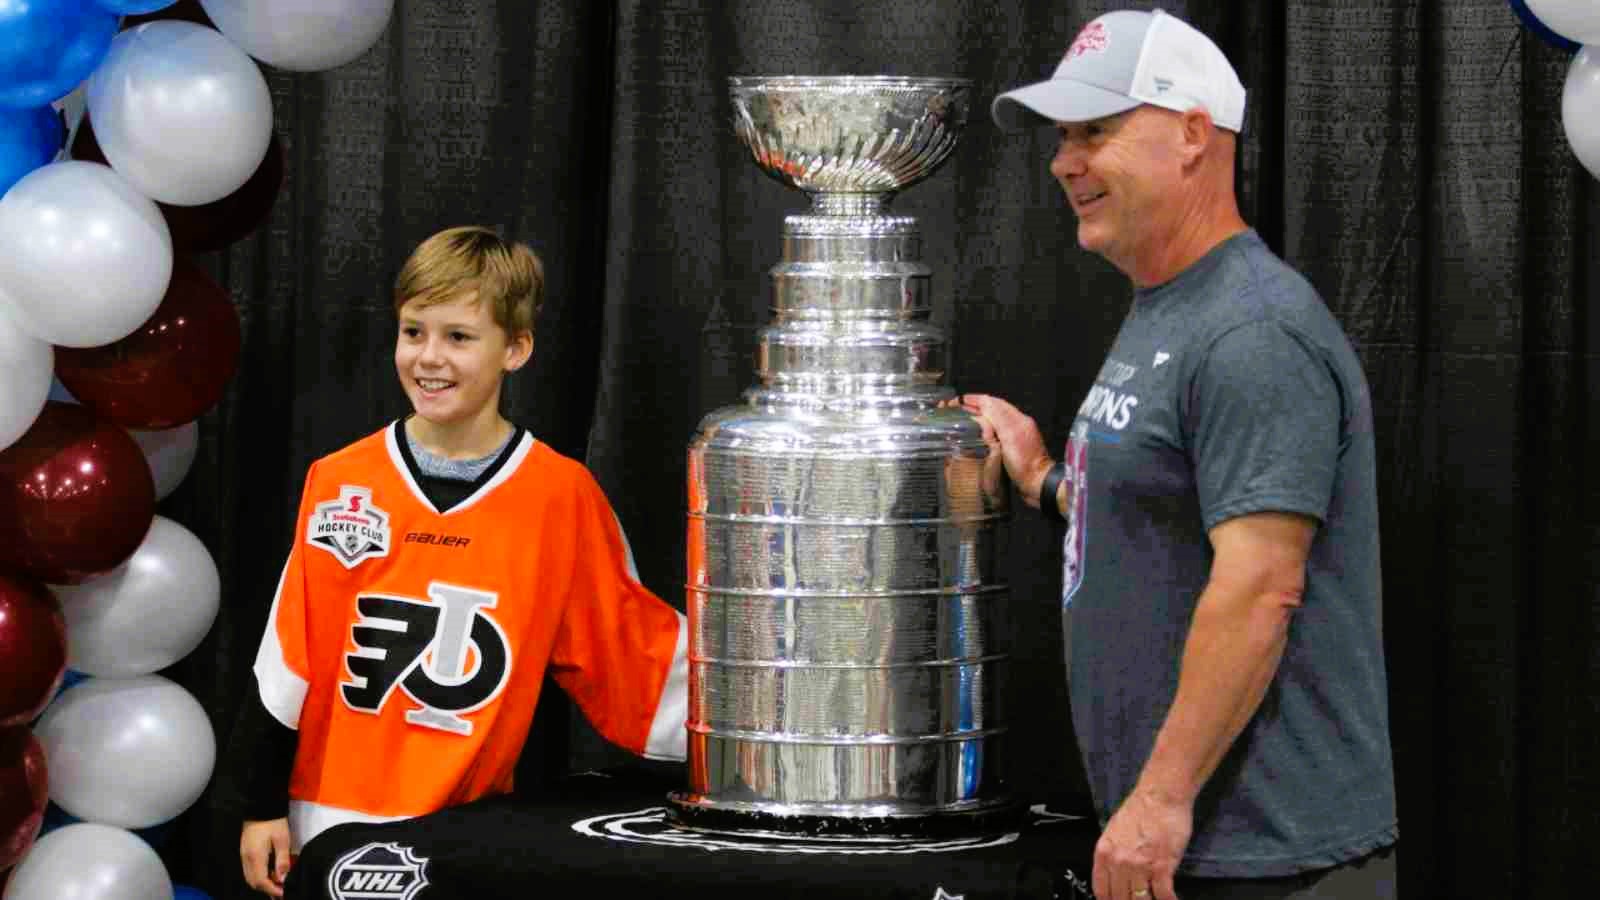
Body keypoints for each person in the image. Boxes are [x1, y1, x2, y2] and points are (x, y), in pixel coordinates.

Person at [968, 9, 1398, 900]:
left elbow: (1261, 585)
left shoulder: (1253, 331)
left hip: (1268, 856)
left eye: (1096, 131)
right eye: (1061, 138)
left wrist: (1160, 802)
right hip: (1197, 846)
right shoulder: (1173, 305)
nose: (1064, 162)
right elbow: (1172, 505)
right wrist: (1047, 477)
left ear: (1194, 134)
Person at [228, 226, 689, 897]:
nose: (429, 357)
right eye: (413, 331)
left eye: (459, 336)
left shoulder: (559, 496)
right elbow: (286, 658)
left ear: (517, 349)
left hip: (468, 831)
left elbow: (629, 651)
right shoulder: (340, 480)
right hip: (324, 821)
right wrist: (260, 802)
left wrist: (766, 726)